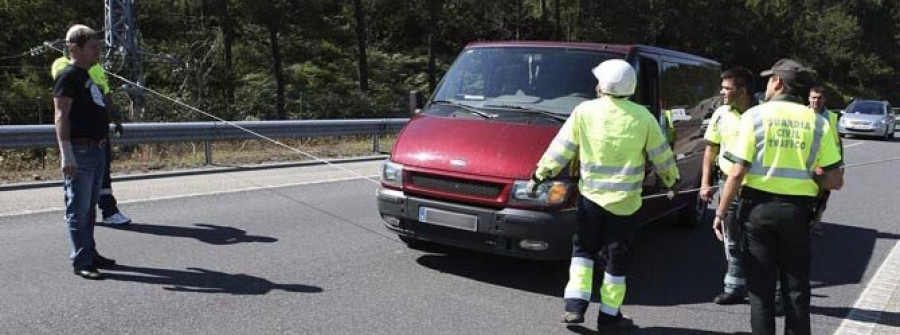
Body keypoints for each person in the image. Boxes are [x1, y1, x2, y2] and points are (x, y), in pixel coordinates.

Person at [527, 59, 679, 332]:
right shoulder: (643, 116)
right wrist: (672, 181)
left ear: (605, 85)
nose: (596, 85)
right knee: (616, 258)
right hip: (626, 204)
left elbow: (561, 148)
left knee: (583, 250)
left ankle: (574, 306)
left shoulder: (584, 111)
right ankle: (609, 317)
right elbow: (662, 156)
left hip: (591, 200)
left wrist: (540, 174)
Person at [715, 58, 843, 335]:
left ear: (778, 82)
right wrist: (814, 175)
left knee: (761, 294)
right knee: (796, 290)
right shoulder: (817, 122)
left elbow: (736, 173)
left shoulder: (755, 116)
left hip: (757, 211)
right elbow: (835, 181)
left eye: (769, 79)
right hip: (798, 214)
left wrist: (720, 212)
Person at [53, 24, 118, 280]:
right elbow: (61, 116)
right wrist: (66, 153)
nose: (97, 52)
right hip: (80, 151)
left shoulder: (88, 75)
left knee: (90, 209)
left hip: (97, 150)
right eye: (92, 47)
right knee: (78, 210)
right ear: (74, 48)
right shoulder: (68, 76)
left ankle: (90, 251)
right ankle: (81, 260)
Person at [52, 54, 132, 226]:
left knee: (103, 176)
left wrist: (115, 117)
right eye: (92, 47)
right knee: (77, 178)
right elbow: (66, 97)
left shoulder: (96, 68)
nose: (96, 52)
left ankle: (105, 211)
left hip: (99, 132)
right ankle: (82, 214)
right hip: (80, 133)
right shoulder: (63, 66)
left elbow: (105, 93)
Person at [700, 67, 756, 305]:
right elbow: (711, 148)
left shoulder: (761, 114)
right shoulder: (721, 113)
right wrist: (705, 183)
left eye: (726, 88)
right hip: (726, 182)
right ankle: (734, 287)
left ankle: (764, 291)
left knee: (757, 240)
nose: (721, 92)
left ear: (742, 90)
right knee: (730, 237)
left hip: (756, 186)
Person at [807, 86, 842, 236]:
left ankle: (817, 223)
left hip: (826, 164)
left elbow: (837, 142)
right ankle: (804, 223)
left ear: (824, 99)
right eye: (813, 97)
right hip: (807, 165)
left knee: (823, 196)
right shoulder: (800, 115)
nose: (816, 100)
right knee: (807, 196)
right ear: (808, 98)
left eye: (819, 98)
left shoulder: (832, 117)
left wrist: (839, 164)